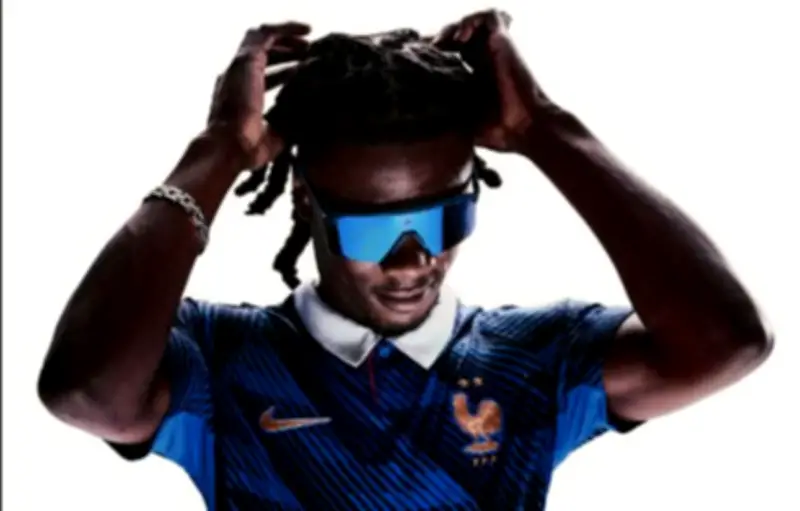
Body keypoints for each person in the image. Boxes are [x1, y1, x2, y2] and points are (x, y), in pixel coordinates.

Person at [37, 10, 773, 511]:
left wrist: (544, 126)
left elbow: (726, 341)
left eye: (446, 216)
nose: (414, 260)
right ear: (305, 203)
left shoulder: (535, 360)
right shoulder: (221, 359)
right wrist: (216, 152)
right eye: (373, 230)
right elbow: (86, 392)